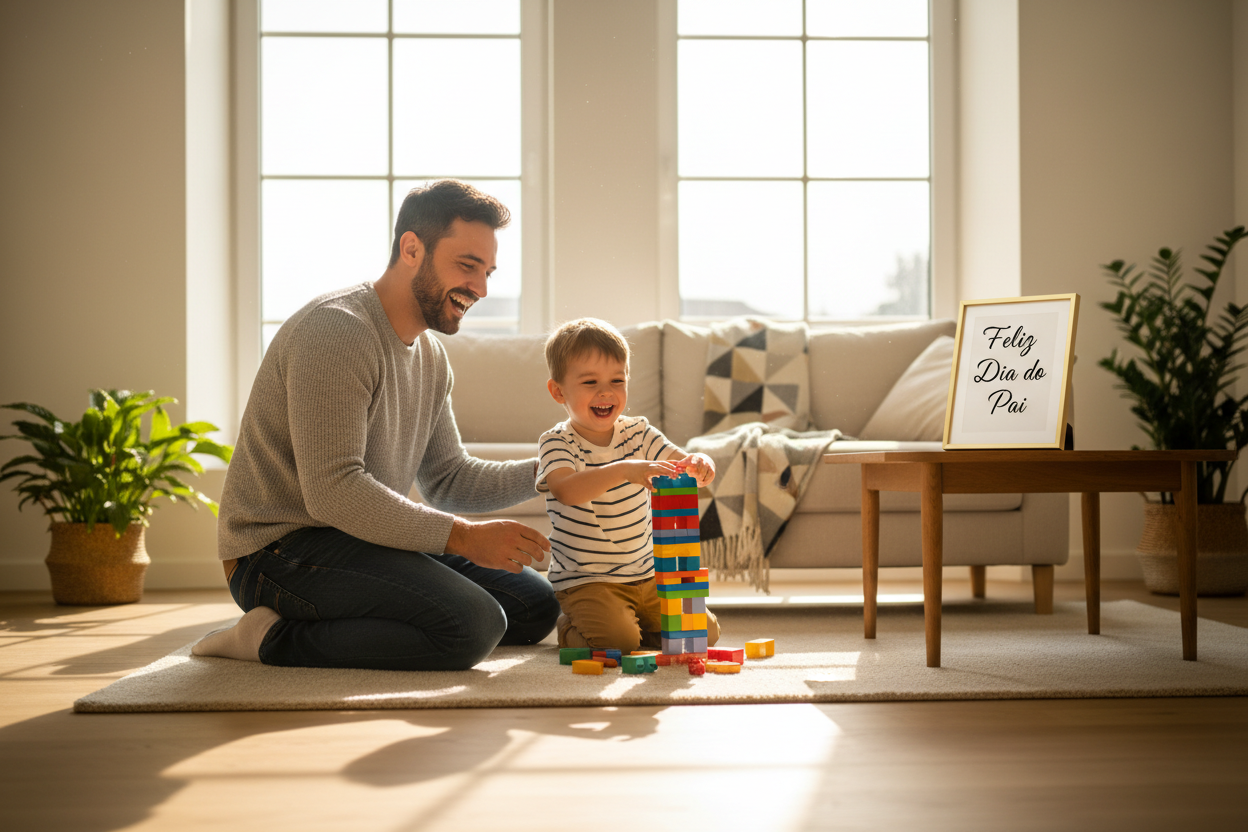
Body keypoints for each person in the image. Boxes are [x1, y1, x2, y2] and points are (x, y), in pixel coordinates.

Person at [193, 180, 559, 670]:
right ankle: (267, 637)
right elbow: (332, 490)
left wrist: (555, 467)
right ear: (412, 248)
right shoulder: (337, 331)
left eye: (488, 272)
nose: (481, 288)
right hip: (277, 550)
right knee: (473, 625)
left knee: (535, 608)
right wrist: (466, 538)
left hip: (361, 540)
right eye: (468, 265)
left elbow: (447, 479)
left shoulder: (431, 357)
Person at [537, 317, 720, 652]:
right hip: (589, 581)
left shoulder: (639, 432)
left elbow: (681, 463)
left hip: (648, 576)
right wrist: (624, 470)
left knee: (702, 634)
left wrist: (699, 463)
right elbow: (567, 490)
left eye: (617, 380)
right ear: (558, 391)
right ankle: (571, 628)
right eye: (590, 382)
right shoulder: (556, 442)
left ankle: (634, 632)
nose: (606, 392)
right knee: (618, 643)